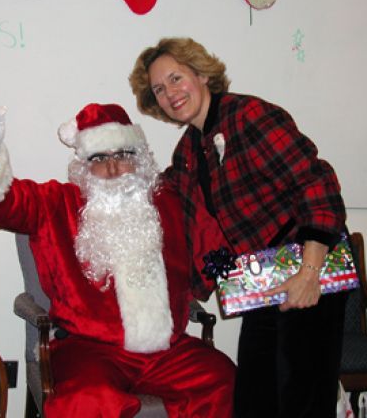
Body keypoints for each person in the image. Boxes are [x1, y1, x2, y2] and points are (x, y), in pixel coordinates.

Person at [0, 91, 236, 417]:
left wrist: (222, 172)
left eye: (123, 155)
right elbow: (7, 205)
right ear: (84, 166)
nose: (114, 168)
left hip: (168, 351)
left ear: (140, 159)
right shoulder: (58, 204)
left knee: (223, 380)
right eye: (100, 158)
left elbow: (213, 238)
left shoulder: (169, 203)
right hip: (89, 349)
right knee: (85, 400)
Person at [129, 37, 348, 418]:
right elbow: (178, 208)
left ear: (201, 74)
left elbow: (318, 184)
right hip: (262, 279)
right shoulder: (188, 150)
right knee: (253, 398)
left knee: (301, 397)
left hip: (309, 268)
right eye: (159, 89)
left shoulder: (250, 116)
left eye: (176, 78)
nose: (170, 94)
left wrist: (309, 273)